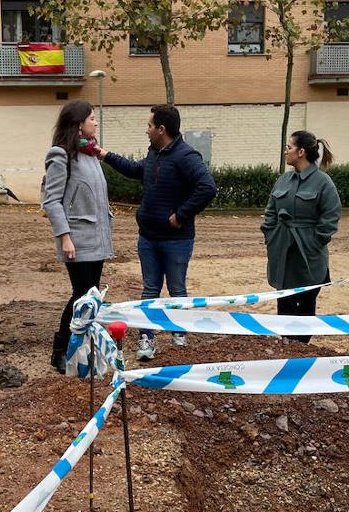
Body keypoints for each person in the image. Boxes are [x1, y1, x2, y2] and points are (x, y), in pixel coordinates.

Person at [95, 105, 217, 360]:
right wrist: (105, 155)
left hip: (176, 241)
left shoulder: (186, 156)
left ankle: (178, 338)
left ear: (162, 129)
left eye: (149, 125)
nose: (146, 130)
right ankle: (146, 341)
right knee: (150, 289)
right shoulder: (155, 153)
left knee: (176, 289)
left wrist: (181, 215)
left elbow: (207, 187)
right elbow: (135, 170)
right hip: (148, 238)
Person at [41, 101, 112, 373]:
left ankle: (83, 347)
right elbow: (52, 201)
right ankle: (59, 350)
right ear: (78, 123)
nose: (96, 122)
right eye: (92, 118)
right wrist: (65, 237)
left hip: (97, 238)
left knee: (91, 296)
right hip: (77, 240)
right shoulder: (61, 155)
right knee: (81, 296)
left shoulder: (91, 154)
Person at [261, 130, 341, 341]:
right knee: (284, 303)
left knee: (306, 305)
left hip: (308, 258)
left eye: (289, 147)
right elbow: (270, 211)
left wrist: (315, 242)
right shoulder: (283, 180)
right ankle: (286, 346)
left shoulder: (323, 183)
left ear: (301, 152)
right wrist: (270, 236)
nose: (285, 151)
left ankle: (302, 350)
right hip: (283, 254)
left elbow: (330, 217)